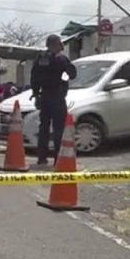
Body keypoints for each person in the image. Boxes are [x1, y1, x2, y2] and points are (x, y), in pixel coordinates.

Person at [30, 34, 77, 166]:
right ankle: (58, 157)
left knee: (43, 127)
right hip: (57, 95)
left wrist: (35, 93)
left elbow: (34, 78)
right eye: (59, 43)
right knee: (59, 128)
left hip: (44, 95)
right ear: (55, 44)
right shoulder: (61, 59)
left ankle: (41, 157)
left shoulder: (40, 58)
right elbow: (72, 74)